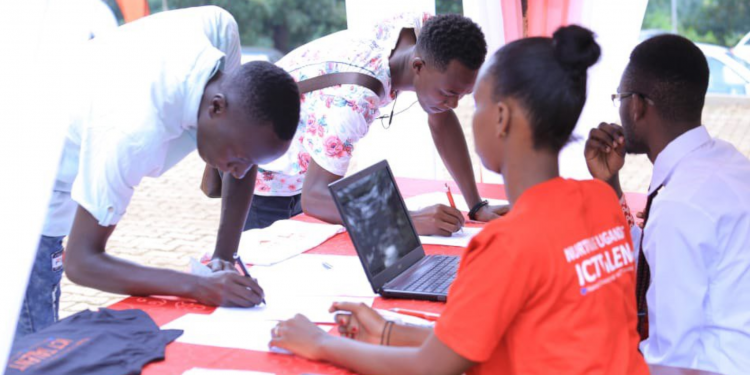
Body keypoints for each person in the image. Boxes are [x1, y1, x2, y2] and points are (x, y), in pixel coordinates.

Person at [267, 26, 649, 375]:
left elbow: (431, 367)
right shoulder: (602, 201)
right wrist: (388, 332)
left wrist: (319, 343)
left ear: (501, 118)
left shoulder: (505, 245)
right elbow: (529, 335)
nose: (462, 113)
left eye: (476, 103)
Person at [17, 6, 301, 338]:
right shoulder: (133, 130)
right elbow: (82, 262)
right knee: (31, 346)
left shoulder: (219, 30)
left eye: (252, 162)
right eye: (238, 157)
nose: (239, 172)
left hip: (59, 125)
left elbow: (245, 146)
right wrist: (200, 286)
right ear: (216, 107)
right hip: (23, 180)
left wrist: (223, 257)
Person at [209, 13, 508, 269]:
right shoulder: (353, 101)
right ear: (418, 67)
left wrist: (476, 206)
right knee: (262, 281)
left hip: (302, 169)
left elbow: (441, 117)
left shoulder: (422, 33)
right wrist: (408, 220)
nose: (454, 104)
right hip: (266, 181)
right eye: (449, 93)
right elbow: (313, 198)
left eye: (462, 95)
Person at [585, 34, 750, 374]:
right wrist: (609, 186)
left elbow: (671, 361)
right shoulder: (726, 162)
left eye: (619, 97)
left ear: (637, 106)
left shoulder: (681, 205)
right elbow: (650, 256)